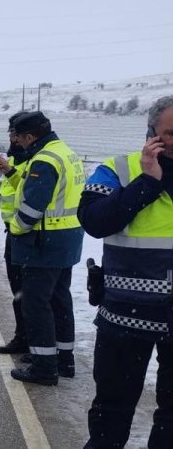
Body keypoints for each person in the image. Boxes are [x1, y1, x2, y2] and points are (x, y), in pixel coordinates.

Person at [80, 96, 173, 448]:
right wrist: (147, 183)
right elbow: (95, 221)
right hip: (125, 318)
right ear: (151, 132)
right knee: (111, 411)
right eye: (171, 133)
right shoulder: (118, 169)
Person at [6, 111, 85, 385]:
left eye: (21, 138)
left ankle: (44, 367)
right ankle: (64, 360)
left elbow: (32, 208)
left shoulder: (44, 160)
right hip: (68, 239)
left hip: (45, 243)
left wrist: (16, 228)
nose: (19, 143)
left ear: (31, 137)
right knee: (60, 300)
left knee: (36, 304)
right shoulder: (65, 152)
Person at [0, 115, 28, 355]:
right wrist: (8, 170)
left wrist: (12, 171)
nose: (11, 139)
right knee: (19, 293)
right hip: (14, 232)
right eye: (10, 135)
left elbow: (29, 193)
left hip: (29, 235)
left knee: (30, 295)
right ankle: (23, 338)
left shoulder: (36, 161)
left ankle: (39, 345)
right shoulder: (17, 159)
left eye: (15, 135)